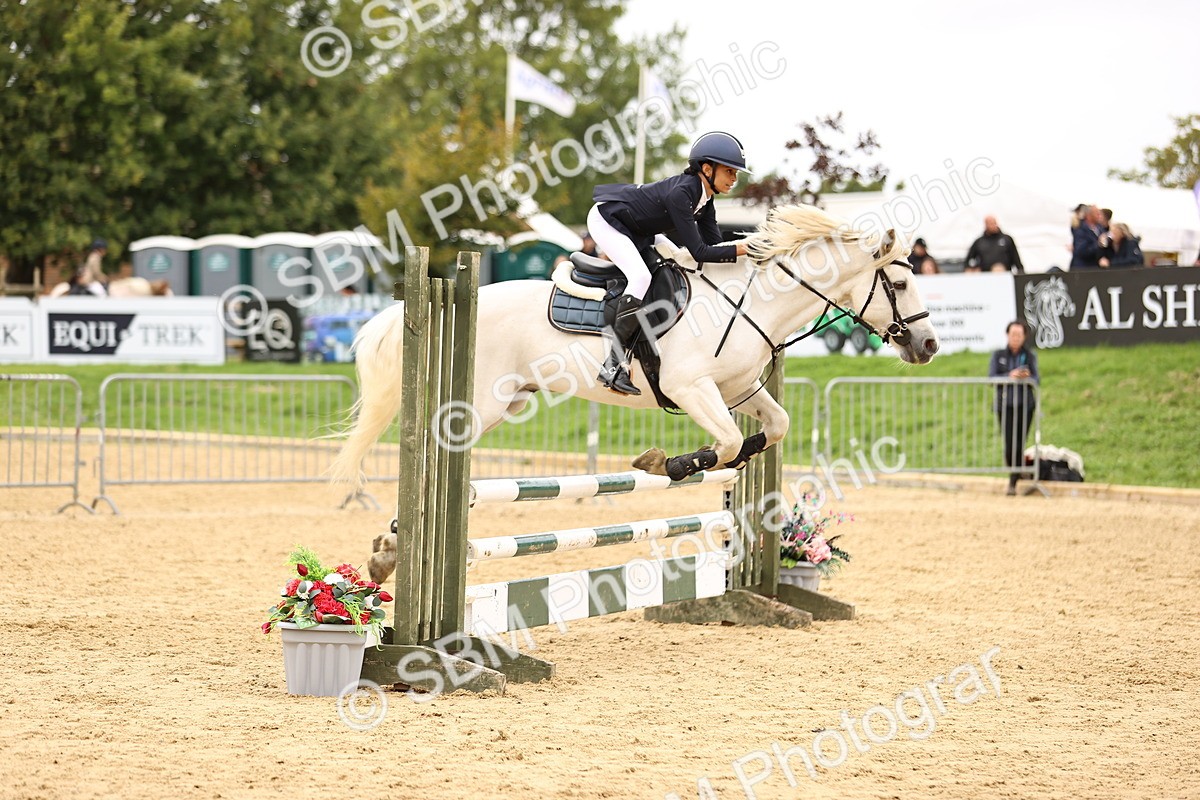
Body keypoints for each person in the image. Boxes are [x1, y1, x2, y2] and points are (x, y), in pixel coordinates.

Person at [587, 131, 751, 395]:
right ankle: (613, 364)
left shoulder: (706, 200)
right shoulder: (682, 193)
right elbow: (699, 251)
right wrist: (745, 248)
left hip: (637, 226)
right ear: (707, 169)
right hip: (608, 219)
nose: (734, 179)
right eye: (730, 172)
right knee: (641, 278)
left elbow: (715, 247)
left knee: (677, 265)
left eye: (736, 173)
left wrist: (748, 254)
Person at [989, 321, 1039, 496]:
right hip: (1005, 406)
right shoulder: (999, 355)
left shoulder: (1030, 355)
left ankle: (1013, 479)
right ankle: (1016, 472)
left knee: (1019, 443)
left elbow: (1037, 380)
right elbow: (991, 378)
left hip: (1025, 406)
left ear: (1024, 336)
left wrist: (1027, 377)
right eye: (1013, 334)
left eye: (1019, 335)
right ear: (1007, 335)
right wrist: (1009, 376)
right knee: (1009, 445)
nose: (1015, 338)